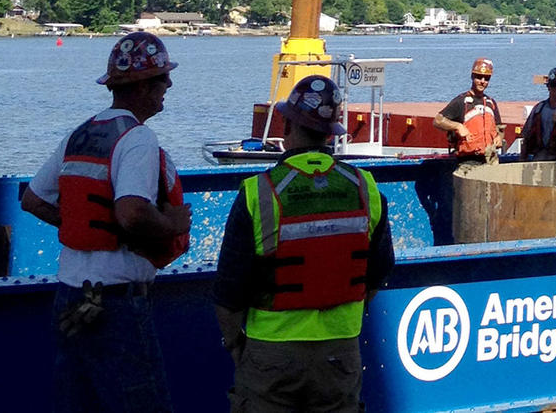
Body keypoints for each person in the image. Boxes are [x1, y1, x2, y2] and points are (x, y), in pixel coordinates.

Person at [21, 31, 191, 413]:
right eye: (163, 78)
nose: (169, 85)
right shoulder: (138, 138)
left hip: (71, 296)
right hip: (117, 304)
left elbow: (32, 199)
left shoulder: (80, 134)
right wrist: (172, 224)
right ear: (143, 86)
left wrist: (80, 224)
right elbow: (131, 211)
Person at [214, 75, 393, 413]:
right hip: (340, 353)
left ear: (285, 126)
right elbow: (379, 271)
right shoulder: (365, 188)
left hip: (271, 354)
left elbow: (228, 291)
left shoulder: (258, 192)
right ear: (331, 133)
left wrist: (236, 344)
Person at [433, 57, 503, 157]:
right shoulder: (461, 101)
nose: (482, 81)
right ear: (472, 77)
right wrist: (458, 126)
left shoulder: (491, 103)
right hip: (467, 160)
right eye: (479, 77)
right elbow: (438, 121)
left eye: (486, 78)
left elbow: (499, 127)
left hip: (490, 159)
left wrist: (499, 137)